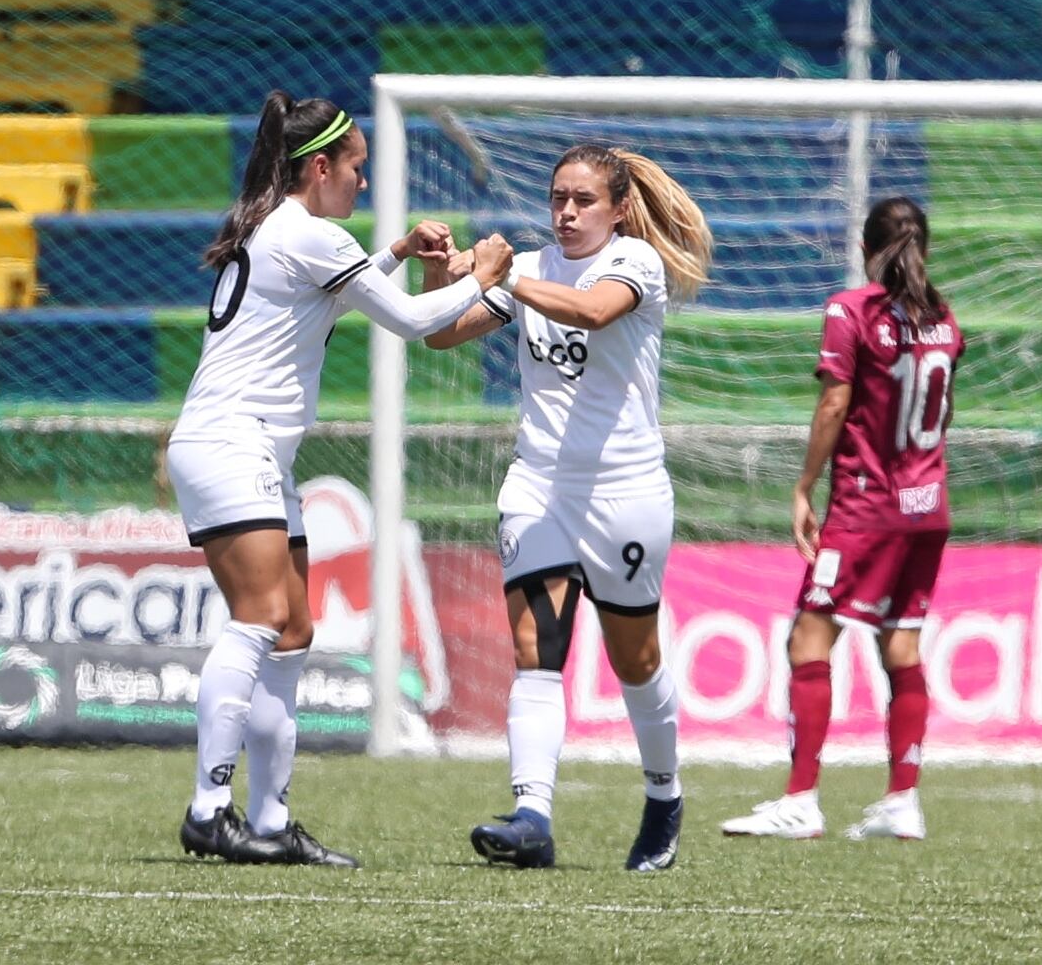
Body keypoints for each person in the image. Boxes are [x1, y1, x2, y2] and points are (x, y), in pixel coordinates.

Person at [169, 90, 513, 867]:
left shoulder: (282, 228)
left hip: (249, 449)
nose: (364, 179)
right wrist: (487, 276)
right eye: (357, 166)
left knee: (292, 631)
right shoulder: (310, 234)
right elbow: (415, 322)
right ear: (320, 167)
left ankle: (269, 821)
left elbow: (329, 299)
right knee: (260, 619)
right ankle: (208, 811)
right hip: (232, 444)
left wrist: (395, 252)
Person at [422, 143, 712, 871]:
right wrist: (441, 273)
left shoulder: (634, 263)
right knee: (535, 650)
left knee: (635, 661)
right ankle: (532, 818)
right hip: (539, 485)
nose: (567, 212)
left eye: (584, 200)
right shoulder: (533, 266)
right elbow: (440, 333)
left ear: (618, 209)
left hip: (625, 492)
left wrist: (501, 273)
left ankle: (664, 795)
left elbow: (592, 311)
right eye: (558, 198)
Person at [721, 196, 963, 841]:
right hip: (928, 506)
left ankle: (801, 799)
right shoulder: (945, 319)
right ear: (926, 250)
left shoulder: (850, 310)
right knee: (901, 644)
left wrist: (804, 486)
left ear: (864, 249)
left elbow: (835, 403)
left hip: (867, 506)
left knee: (809, 637)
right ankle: (902, 799)